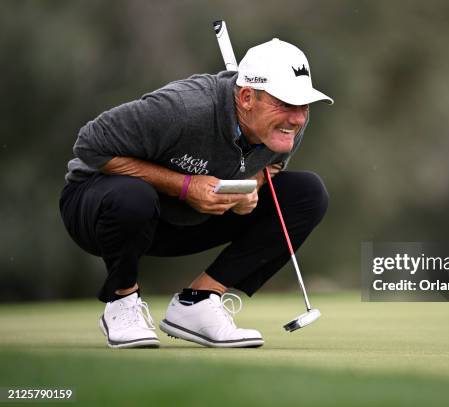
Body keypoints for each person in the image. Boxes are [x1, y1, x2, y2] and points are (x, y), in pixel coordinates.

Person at [59, 38, 333, 349]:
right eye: (285, 104)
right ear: (246, 97)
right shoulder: (183, 109)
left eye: (303, 104)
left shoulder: (287, 127)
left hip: (185, 219)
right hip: (98, 209)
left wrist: (248, 191)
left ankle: (199, 301)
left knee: (308, 194)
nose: (297, 118)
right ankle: (122, 302)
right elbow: (89, 145)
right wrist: (185, 185)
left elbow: (270, 168)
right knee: (134, 197)